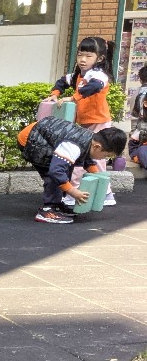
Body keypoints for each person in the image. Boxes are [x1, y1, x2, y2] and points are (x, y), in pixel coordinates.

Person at [16, 113, 126, 224]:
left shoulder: (91, 138)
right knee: (54, 173)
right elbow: (56, 171)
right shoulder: (73, 146)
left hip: (43, 132)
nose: (104, 159)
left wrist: (96, 175)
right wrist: (73, 192)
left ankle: (56, 205)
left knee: (64, 167)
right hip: (32, 139)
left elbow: (86, 156)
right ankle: (48, 210)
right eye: (106, 156)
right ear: (97, 147)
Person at [52, 36, 118, 205]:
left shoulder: (98, 75)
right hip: (85, 124)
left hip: (99, 122)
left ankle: (104, 194)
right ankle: (83, 193)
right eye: (80, 55)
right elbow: (62, 81)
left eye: (88, 56)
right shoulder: (77, 75)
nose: (82, 59)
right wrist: (55, 94)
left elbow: (93, 87)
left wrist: (72, 98)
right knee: (82, 158)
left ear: (100, 58)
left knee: (94, 159)